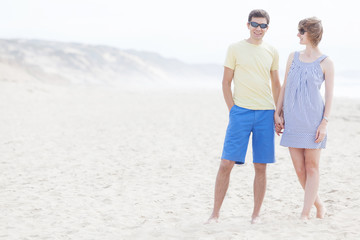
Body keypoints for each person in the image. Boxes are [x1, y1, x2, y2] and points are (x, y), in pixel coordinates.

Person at [207, 9, 281, 224]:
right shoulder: (235, 48)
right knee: (226, 163)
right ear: (247, 25)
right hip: (241, 112)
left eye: (263, 25)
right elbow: (225, 83)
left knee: (260, 166)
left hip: (266, 113)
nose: (259, 29)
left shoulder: (272, 51)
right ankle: (215, 214)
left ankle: (256, 215)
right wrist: (233, 110)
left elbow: (276, 84)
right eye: (255, 24)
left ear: (268, 28)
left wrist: (278, 112)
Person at [274, 17, 334, 220]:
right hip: (293, 119)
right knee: (299, 169)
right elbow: (285, 86)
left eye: (301, 31)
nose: (298, 34)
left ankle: (305, 213)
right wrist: (278, 112)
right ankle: (318, 204)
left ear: (311, 34)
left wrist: (324, 123)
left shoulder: (326, 62)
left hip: (313, 119)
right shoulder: (293, 56)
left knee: (312, 167)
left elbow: (329, 96)